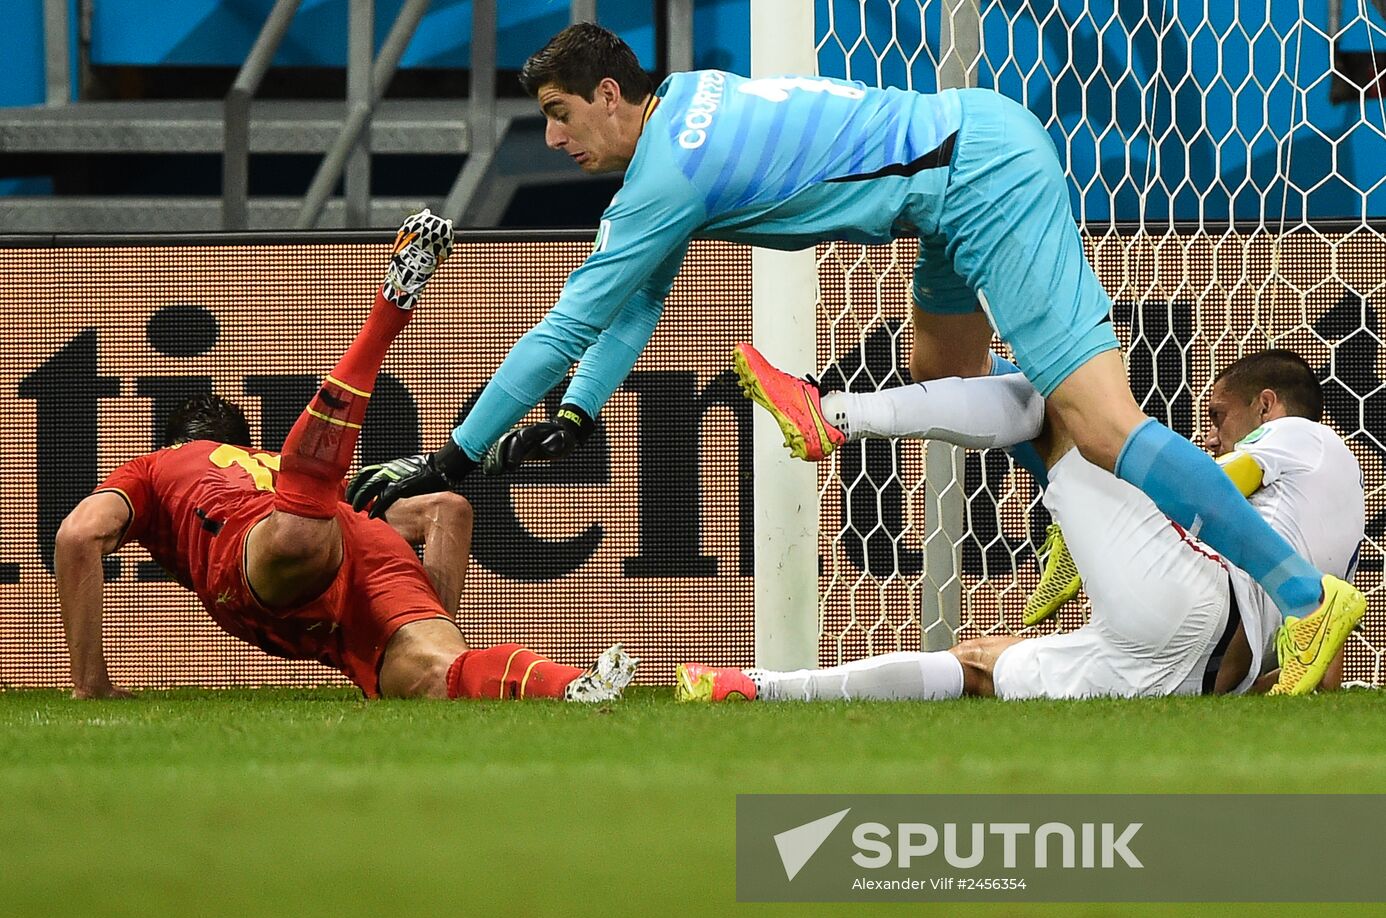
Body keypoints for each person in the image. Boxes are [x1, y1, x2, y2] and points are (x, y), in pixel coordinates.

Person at [346, 22, 1364, 688]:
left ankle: (1311, 599)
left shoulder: (662, 176)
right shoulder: (689, 105)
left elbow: (566, 325)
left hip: (980, 175)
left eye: (561, 117)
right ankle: (1069, 508)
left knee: (1103, 425)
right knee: (948, 376)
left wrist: (452, 460)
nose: (556, 140)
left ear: (610, 94)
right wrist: (577, 413)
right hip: (957, 170)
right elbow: (630, 309)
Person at [54, 211, 634, 702]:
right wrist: (424, 621)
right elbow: (448, 511)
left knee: (300, 523)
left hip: (276, 541)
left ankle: (387, 315)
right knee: (440, 675)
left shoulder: (159, 466)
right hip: (358, 552)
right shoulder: (271, 464)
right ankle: (574, 685)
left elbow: (78, 536)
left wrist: (90, 682)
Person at [677, 349, 1365, 701]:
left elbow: (1208, 489)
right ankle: (757, 687)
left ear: (1267, 405)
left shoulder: (1307, 438)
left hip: (1189, 606)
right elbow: (1321, 667)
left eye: (1217, 417)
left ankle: (832, 415)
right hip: (1180, 676)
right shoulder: (1335, 533)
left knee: (1057, 401)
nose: (1209, 436)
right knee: (977, 665)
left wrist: (1102, 495)